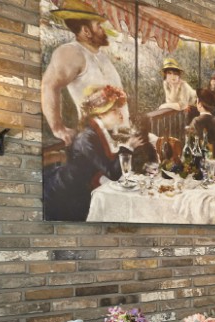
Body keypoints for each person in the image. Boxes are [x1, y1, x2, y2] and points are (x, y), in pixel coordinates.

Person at [43, 85, 142, 221]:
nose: (121, 114)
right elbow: (113, 173)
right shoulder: (87, 137)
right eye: (114, 110)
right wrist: (129, 147)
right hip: (65, 195)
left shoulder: (99, 132)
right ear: (100, 114)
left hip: (81, 190)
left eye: (119, 109)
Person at [42, 0, 129, 146]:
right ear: (86, 31)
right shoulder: (71, 52)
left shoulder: (102, 56)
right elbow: (48, 85)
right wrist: (58, 128)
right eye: (98, 25)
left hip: (120, 139)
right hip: (97, 142)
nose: (102, 30)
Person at [188, 88, 215, 159]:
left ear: (200, 104)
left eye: (196, 101)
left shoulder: (196, 121)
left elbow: (190, 145)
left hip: (201, 161)